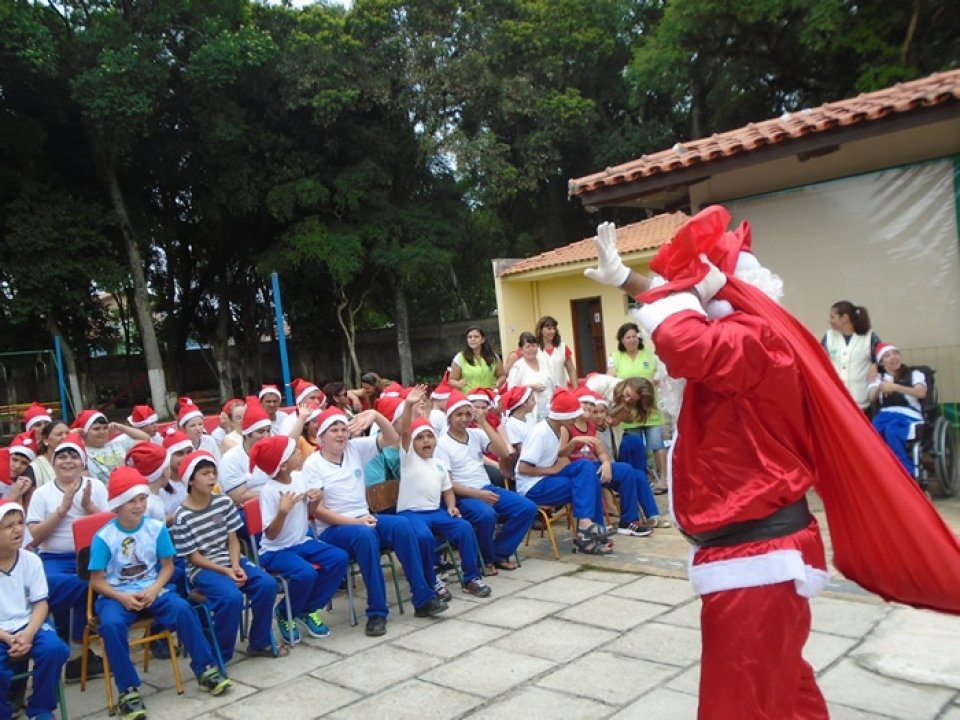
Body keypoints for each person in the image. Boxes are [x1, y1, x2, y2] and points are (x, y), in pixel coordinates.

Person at [581, 206, 960, 718]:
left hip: (753, 558)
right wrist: (631, 278)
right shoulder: (750, 335)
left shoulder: (755, 340)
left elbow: (686, 341)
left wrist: (654, 285)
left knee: (739, 703)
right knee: (785, 690)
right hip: (754, 554)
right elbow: (690, 318)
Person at [89, 467, 233, 720]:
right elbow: (97, 581)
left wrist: (154, 589)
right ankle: (128, 689)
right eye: (131, 500)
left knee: (183, 609)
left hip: (152, 588)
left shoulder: (156, 528)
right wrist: (122, 597)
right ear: (117, 505)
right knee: (110, 625)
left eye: (142, 498)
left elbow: (167, 566)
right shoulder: (104, 537)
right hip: (116, 595)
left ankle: (204, 668)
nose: (138, 506)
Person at [302, 406, 448, 637]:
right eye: (334, 430)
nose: (340, 434)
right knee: (366, 536)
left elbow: (392, 438)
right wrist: (354, 522)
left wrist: (376, 415)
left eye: (343, 429)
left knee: (402, 525)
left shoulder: (354, 449)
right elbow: (317, 510)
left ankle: (422, 598)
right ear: (321, 436)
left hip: (364, 519)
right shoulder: (313, 464)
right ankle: (377, 612)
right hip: (334, 528)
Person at [171, 451, 283, 660]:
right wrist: (226, 571)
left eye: (213, 473)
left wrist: (235, 565)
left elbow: (233, 538)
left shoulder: (223, 502)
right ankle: (219, 654)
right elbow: (193, 558)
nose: (212, 477)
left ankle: (259, 641)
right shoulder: (182, 515)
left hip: (230, 560)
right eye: (205, 473)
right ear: (191, 480)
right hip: (203, 569)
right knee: (231, 598)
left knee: (267, 585)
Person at [25, 432, 107, 683]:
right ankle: (76, 648)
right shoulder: (42, 494)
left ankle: (80, 653)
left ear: (82, 462)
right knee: (73, 587)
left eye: (74, 456)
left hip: (91, 556)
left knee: (94, 583)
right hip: (54, 559)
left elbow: (112, 527)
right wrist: (62, 509)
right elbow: (34, 539)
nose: (68, 461)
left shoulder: (97, 487)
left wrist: (89, 507)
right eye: (62, 456)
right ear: (53, 462)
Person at [252, 435, 349, 644]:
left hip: (300, 542)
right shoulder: (269, 491)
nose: (300, 453)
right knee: (305, 573)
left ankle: (308, 609)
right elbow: (270, 534)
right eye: (295, 451)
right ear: (284, 465)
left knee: (339, 558)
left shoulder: (299, 478)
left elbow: (308, 513)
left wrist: (316, 499)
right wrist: (282, 512)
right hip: (275, 551)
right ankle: (285, 612)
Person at [396, 387, 491, 598]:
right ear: (412, 443)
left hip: (435, 512)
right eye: (420, 438)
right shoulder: (408, 457)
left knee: (464, 528)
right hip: (412, 513)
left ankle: (471, 578)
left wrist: (451, 505)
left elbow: (447, 490)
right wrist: (409, 405)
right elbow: (404, 431)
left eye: (429, 437)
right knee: (423, 537)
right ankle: (432, 579)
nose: (426, 441)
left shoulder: (438, 463)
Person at [439, 391, 537, 573]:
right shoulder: (442, 443)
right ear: (449, 417)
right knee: (486, 515)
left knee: (527, 508)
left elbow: (503, 452)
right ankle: (484, 559)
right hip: (464, 495)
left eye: (467, 414)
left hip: (486, 488)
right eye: (458, 415)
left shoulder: (476, 434)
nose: (464, 419)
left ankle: (499, 553)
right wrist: (477, 494)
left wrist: (483, 423)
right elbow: (448, 483)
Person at [0, 500, 70, 720]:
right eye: (8, 525)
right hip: (1, 631)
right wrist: (8, 638)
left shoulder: (31, 560)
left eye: (20, 523)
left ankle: (40, 708)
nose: (18, 529)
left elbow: (41, 603)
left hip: (30, 624)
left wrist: (28, 634)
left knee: (54, 649)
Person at [607, 322, 668, 489]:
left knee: (656, 443)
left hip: (649, 406)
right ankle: (638, 479)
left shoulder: (649, 354)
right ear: (621, 340)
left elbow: (661, 373)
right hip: (628, 409)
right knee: (634, 445)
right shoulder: (615, 357)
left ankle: (663, 479)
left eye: (634, 336)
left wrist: (654, 379)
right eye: (628, 337)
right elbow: (611, 378)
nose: (632, 340)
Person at [868, 343, 927, 476]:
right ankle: (881, 472)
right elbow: (872, 397)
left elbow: (921, 392)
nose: (893, 357)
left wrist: (896, 387)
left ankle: (908, 471)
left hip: (908, 414)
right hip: (885, 414)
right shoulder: (879, 378)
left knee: (892, 430)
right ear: (882, 363)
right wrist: (879, 385)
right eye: (887, 355)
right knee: (871, 434)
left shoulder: (915, 374)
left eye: (896, 353)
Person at [823, 301, 882, 413]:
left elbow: (883, 356)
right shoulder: (829, 336)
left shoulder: (869, 336)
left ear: (844, 317)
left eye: (832, 317)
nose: (829, 321)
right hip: (835, 400)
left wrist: (875, 365)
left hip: (861, 402)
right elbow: (820, 359)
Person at [74, 410, 151, 484]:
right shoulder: (79, 453)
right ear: (83, 432)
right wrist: (73, 434)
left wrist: (121, 427)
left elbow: (146, 439)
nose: (102, 432)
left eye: (105, 427)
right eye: (96, 429)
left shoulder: (117, 444)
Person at [505, 316, 577, 389]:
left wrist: (576, 389)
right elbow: (516, 354)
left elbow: (571, 370)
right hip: (541, 392)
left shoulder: (563, 347)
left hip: (561, 391)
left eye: (554, 328)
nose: (553, 331)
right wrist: (508, 371)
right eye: (549, 329)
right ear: (541, 330)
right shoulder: (533, 347)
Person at [506, 332, 554, 422]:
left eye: (534, 346)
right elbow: (512, 390)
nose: (532, 349)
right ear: (521, 350)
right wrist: (531, 386)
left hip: (549, 409)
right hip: (530, 414)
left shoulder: (544, 362)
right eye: (528, 346)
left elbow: (554, 384)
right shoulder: (518, 367)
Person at [448, 327, 505, 393]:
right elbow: (451, 380)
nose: (473, 339)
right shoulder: (460, 357)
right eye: (470, 337)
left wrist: (498, 383)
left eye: (476, 337)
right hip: (468, 398)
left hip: (489, 396)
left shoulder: (493, 356)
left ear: (483, 340)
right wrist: (458, 384)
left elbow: (502, 376)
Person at [25, 420, 70, 490]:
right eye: (59, 434)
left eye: (68, 433)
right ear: (45, 440)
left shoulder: (77, 462)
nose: (65, 437)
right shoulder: (34, 468)